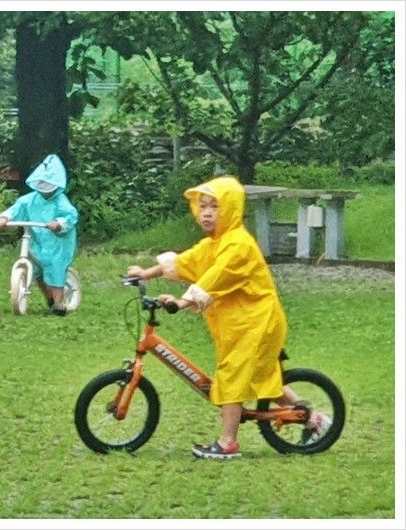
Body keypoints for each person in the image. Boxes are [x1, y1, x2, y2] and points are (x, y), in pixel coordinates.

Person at [127, 175, 330, 459]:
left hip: (256, 322)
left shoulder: (238, 245)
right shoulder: (215, 242)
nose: (207, 212)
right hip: (240, 323)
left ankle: (228, 443)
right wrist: (145, 273)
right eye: (203, 206)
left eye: (216, 206)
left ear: (232, 209)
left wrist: (183, 301)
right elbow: (187, 260)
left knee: (233, 375)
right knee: (259, 377)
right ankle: (313, 419)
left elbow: (215, 277)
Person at [0, 154, 78, 316]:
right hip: (37, 240)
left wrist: (58, 223)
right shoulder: (29, 200)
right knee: (37, 270)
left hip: (57, 243)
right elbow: (16, 209)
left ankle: (59, 301)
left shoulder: (60, 201)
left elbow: (70, 215)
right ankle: (50, 299)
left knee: (55, 268)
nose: (45, 191)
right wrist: (4, 218)